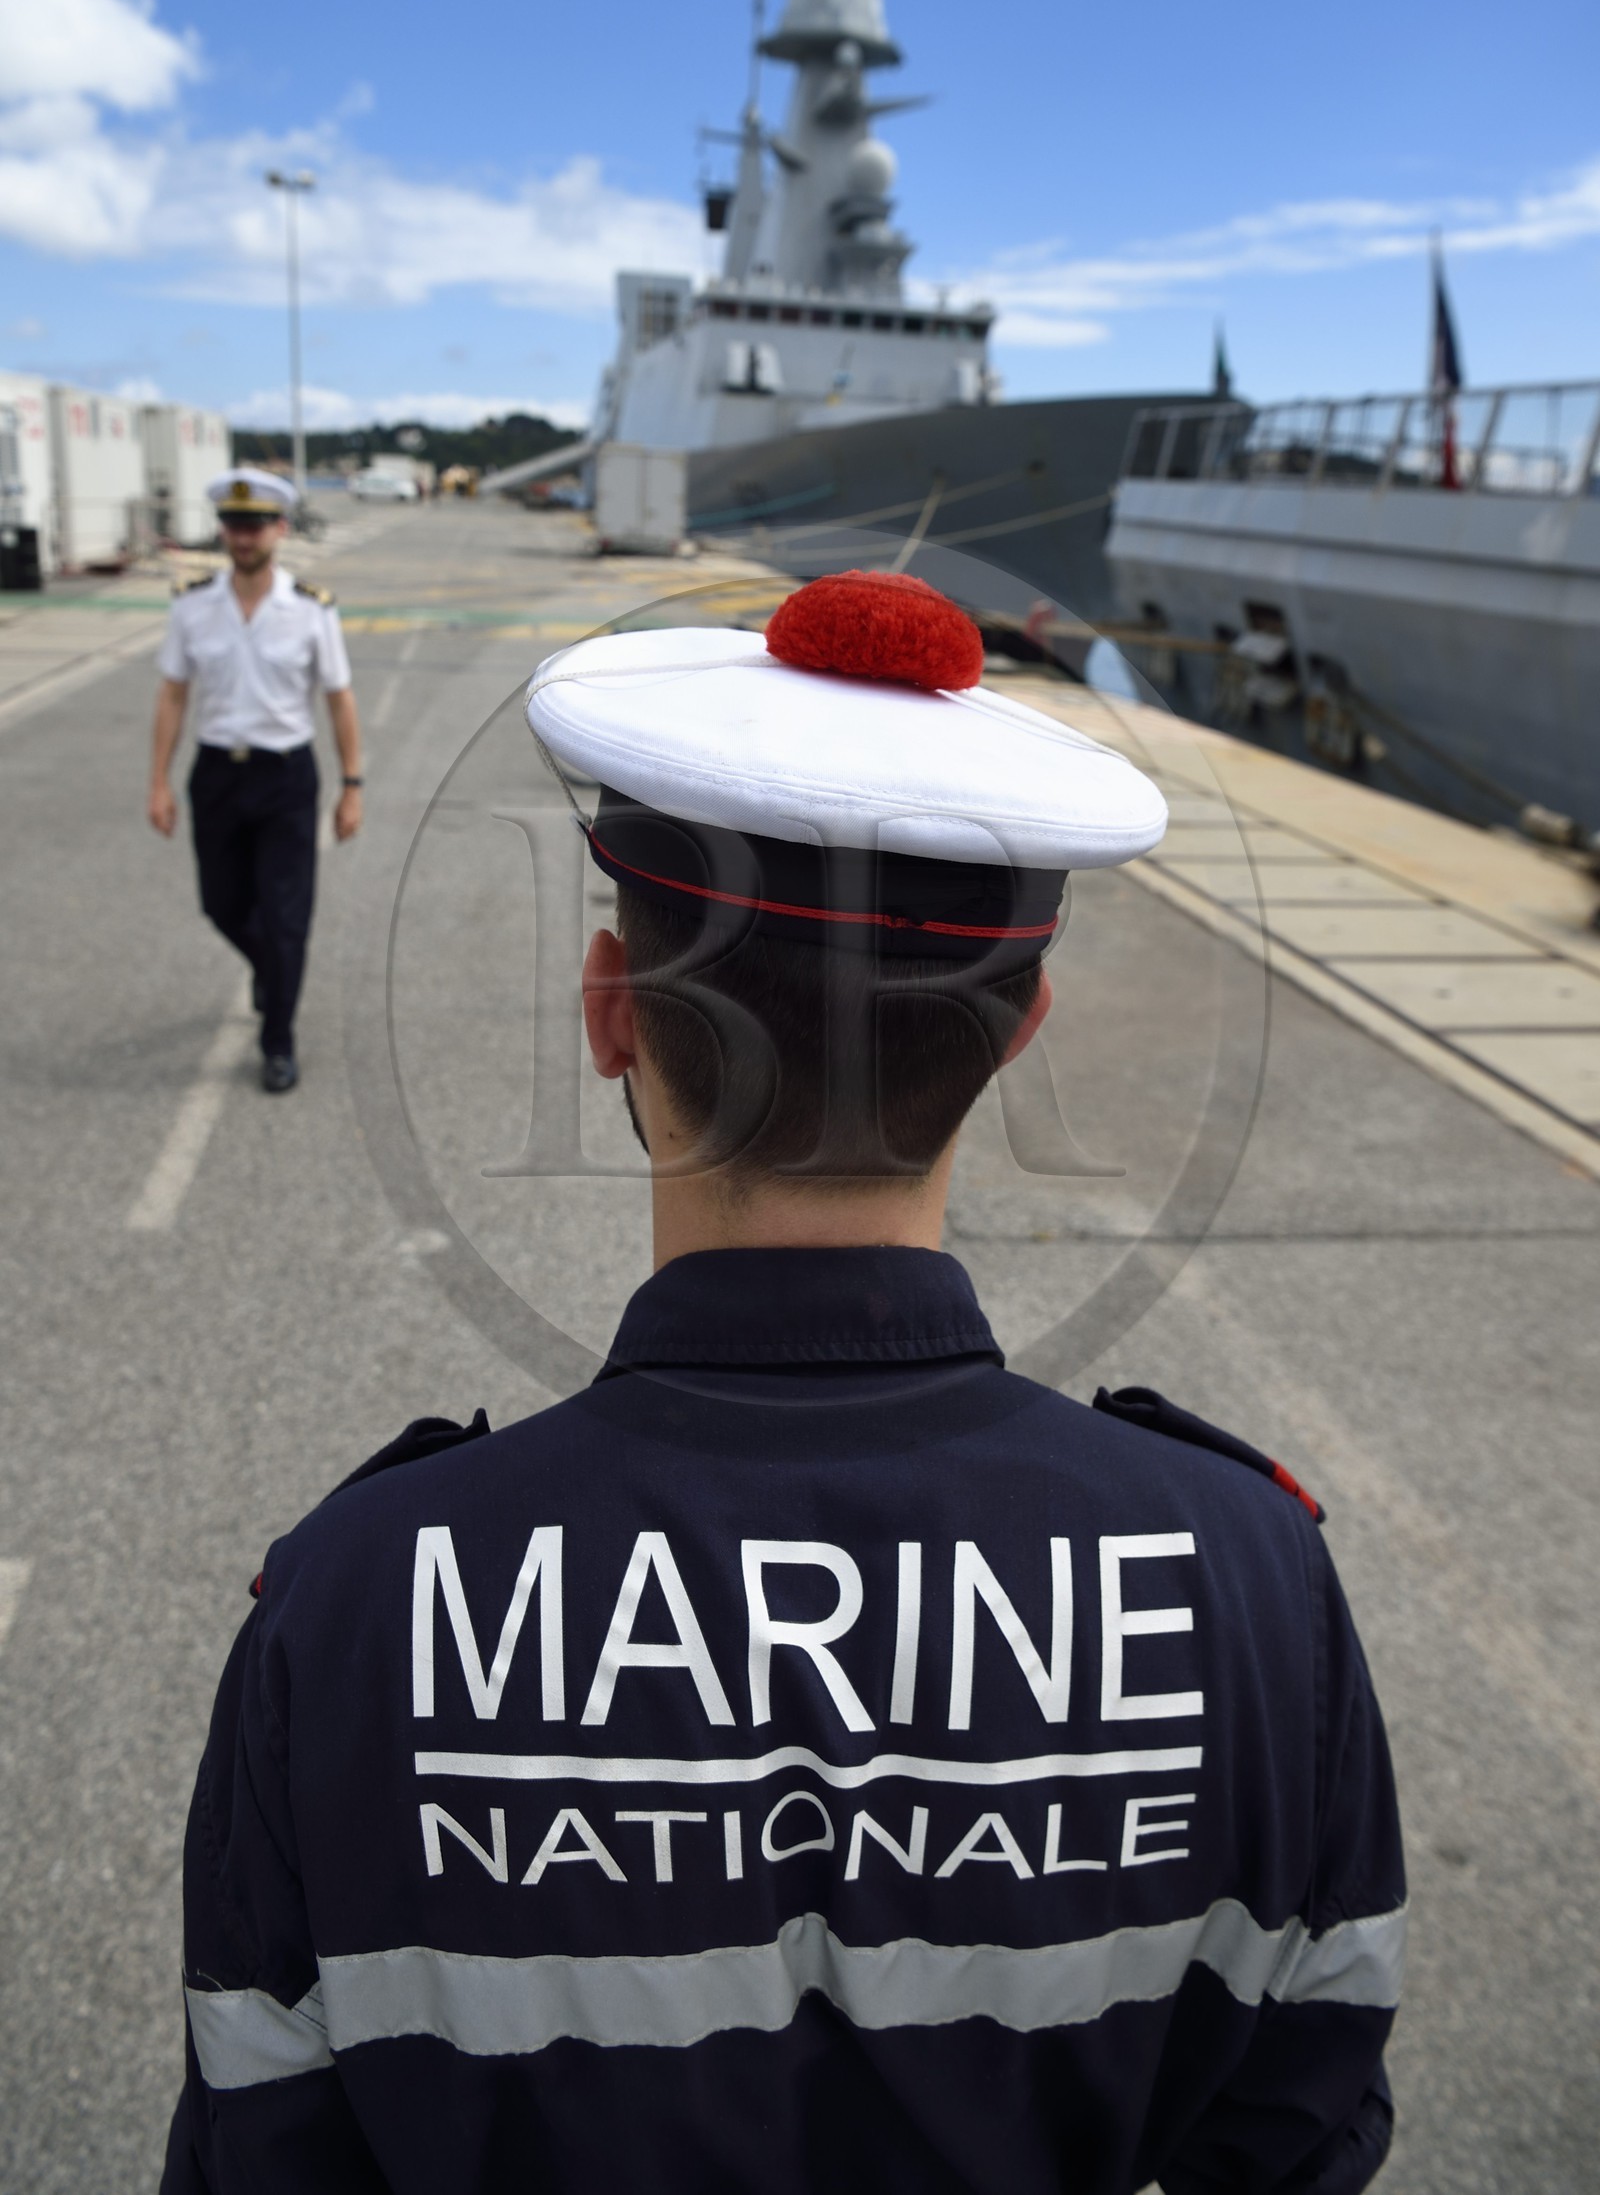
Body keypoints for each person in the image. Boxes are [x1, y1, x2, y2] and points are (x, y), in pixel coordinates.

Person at [162, 573, 1404, 2193]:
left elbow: (267, 2149)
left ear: (613, 1014)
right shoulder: (1253, 1585)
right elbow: (1301, 2131)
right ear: (1022, 1025)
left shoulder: (349, 1605)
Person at [147, 466, 363, 1093]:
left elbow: (339, 698)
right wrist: (157, 782)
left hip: (286, 779)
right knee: (222, 905)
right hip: (215, 775)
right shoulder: (192, 606)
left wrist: (353, 786)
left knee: (288, 917)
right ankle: (270, 968)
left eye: (257, 525)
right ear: (224, 531)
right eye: (235, 525)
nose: (244, 537)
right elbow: (171, 694)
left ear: (280, 529)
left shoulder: (309, 609)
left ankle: (279, 1040)